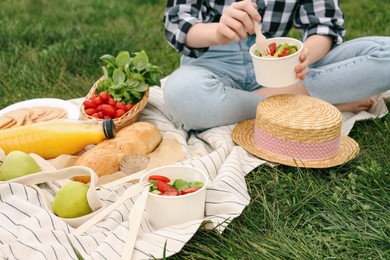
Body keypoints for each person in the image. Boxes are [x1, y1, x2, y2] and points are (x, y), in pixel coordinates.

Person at [162, 0, 390, 131]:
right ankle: (317, 100)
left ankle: (265, 101)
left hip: (282, 65)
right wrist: (218, 32)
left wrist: (305, 56)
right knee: (183, 93)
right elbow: (178, 23)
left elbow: (323, 26)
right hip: (213, 63)